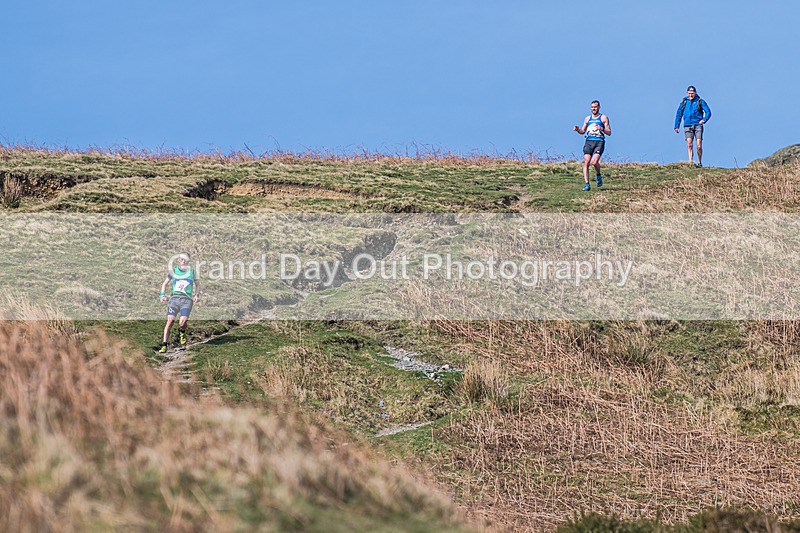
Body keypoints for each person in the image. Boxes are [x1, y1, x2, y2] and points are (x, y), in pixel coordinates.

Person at [157, 253, 200, 353]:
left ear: (188, 260)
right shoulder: (174, 271)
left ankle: (182, 332)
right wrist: (162, 295)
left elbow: (197, 285)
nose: (183, 261)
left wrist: (196, 295)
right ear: (179, 260)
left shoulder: (193, 272)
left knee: (182, 322)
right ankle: (164, 345)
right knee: (170, 321)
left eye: (185, 259)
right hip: (174, 299)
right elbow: (164, 283)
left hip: (186, 300)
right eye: (181, 259)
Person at [573, 100, 611, 191]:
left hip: (599, 141)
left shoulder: (603, 118)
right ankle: (587, 184)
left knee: (594, 162)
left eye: (595, 107)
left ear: (599, 107)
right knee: (586, 162)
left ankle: (598, 175)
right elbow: (583, 131)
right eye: (592, 107)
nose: (594, 108)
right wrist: (578, 130)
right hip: (589, 141)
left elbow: (609, 132)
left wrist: (601, 128)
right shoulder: (587, 119)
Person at [674, 85, 711, 167]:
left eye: (692, 93)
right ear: (687, 93)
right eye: (689, 93)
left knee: (699, 145)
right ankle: (690, 162)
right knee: (689, 144)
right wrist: (676, 126)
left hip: (698, 125)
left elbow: (708, 112)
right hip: (687, 125)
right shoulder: (684, 102)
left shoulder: (700, 101)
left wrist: (704, 120)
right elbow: (679, 114)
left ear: (695, 93)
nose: (691, 95)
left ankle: (699, 162)